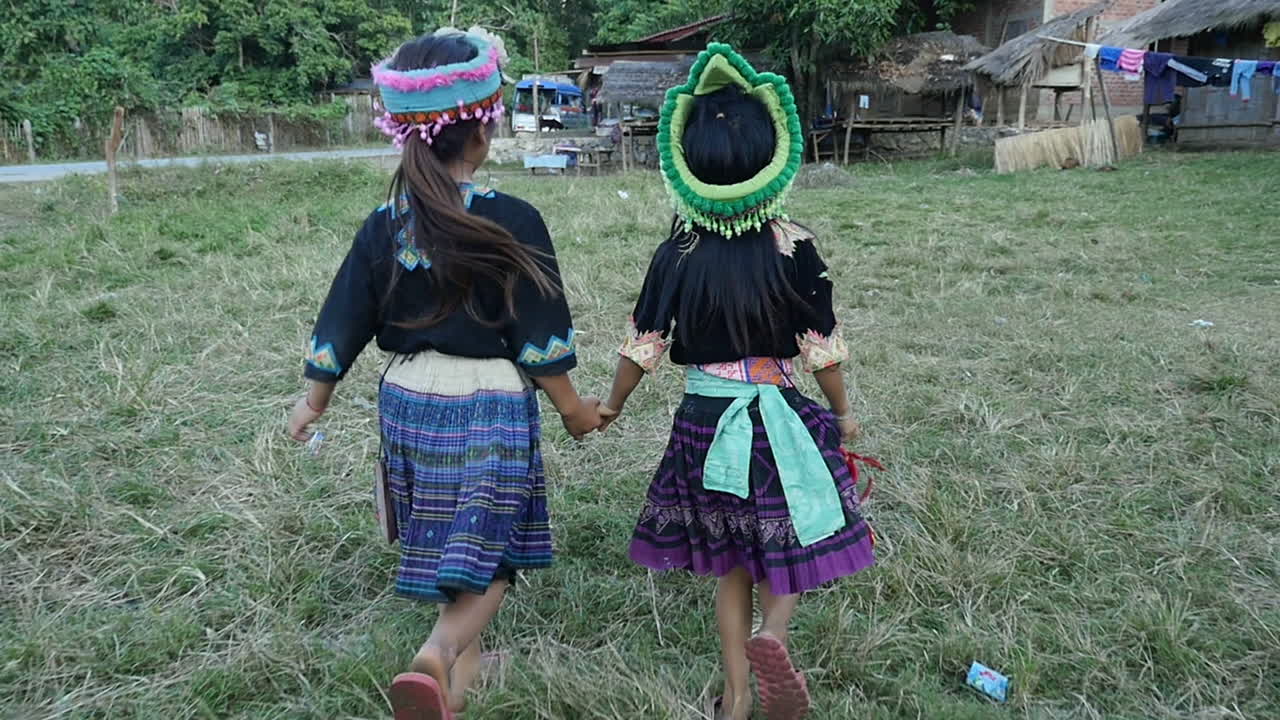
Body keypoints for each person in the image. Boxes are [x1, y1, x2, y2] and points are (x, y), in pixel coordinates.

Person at [285, 28, 601, 720]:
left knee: (441, 535)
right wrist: (576, 411)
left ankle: (457, 685)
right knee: (494, 552)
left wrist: (313, 402)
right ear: (483, 130)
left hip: (405, 402)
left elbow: (342, 319)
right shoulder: (513, 220)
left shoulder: (383, 226)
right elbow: (540, 334)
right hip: (486, 403)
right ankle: (435, 653)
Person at [598, 44, 876, 720]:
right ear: (774, 158)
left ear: (686, 163)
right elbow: (822, 352)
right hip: (779, 415)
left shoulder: (678, 251)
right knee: (797, 534)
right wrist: (842, 415)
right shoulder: (794, 246)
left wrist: (610, 404)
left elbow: (644, 346)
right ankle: (772, 639)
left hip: (704, 424)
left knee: (732, 562)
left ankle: (737, 697)